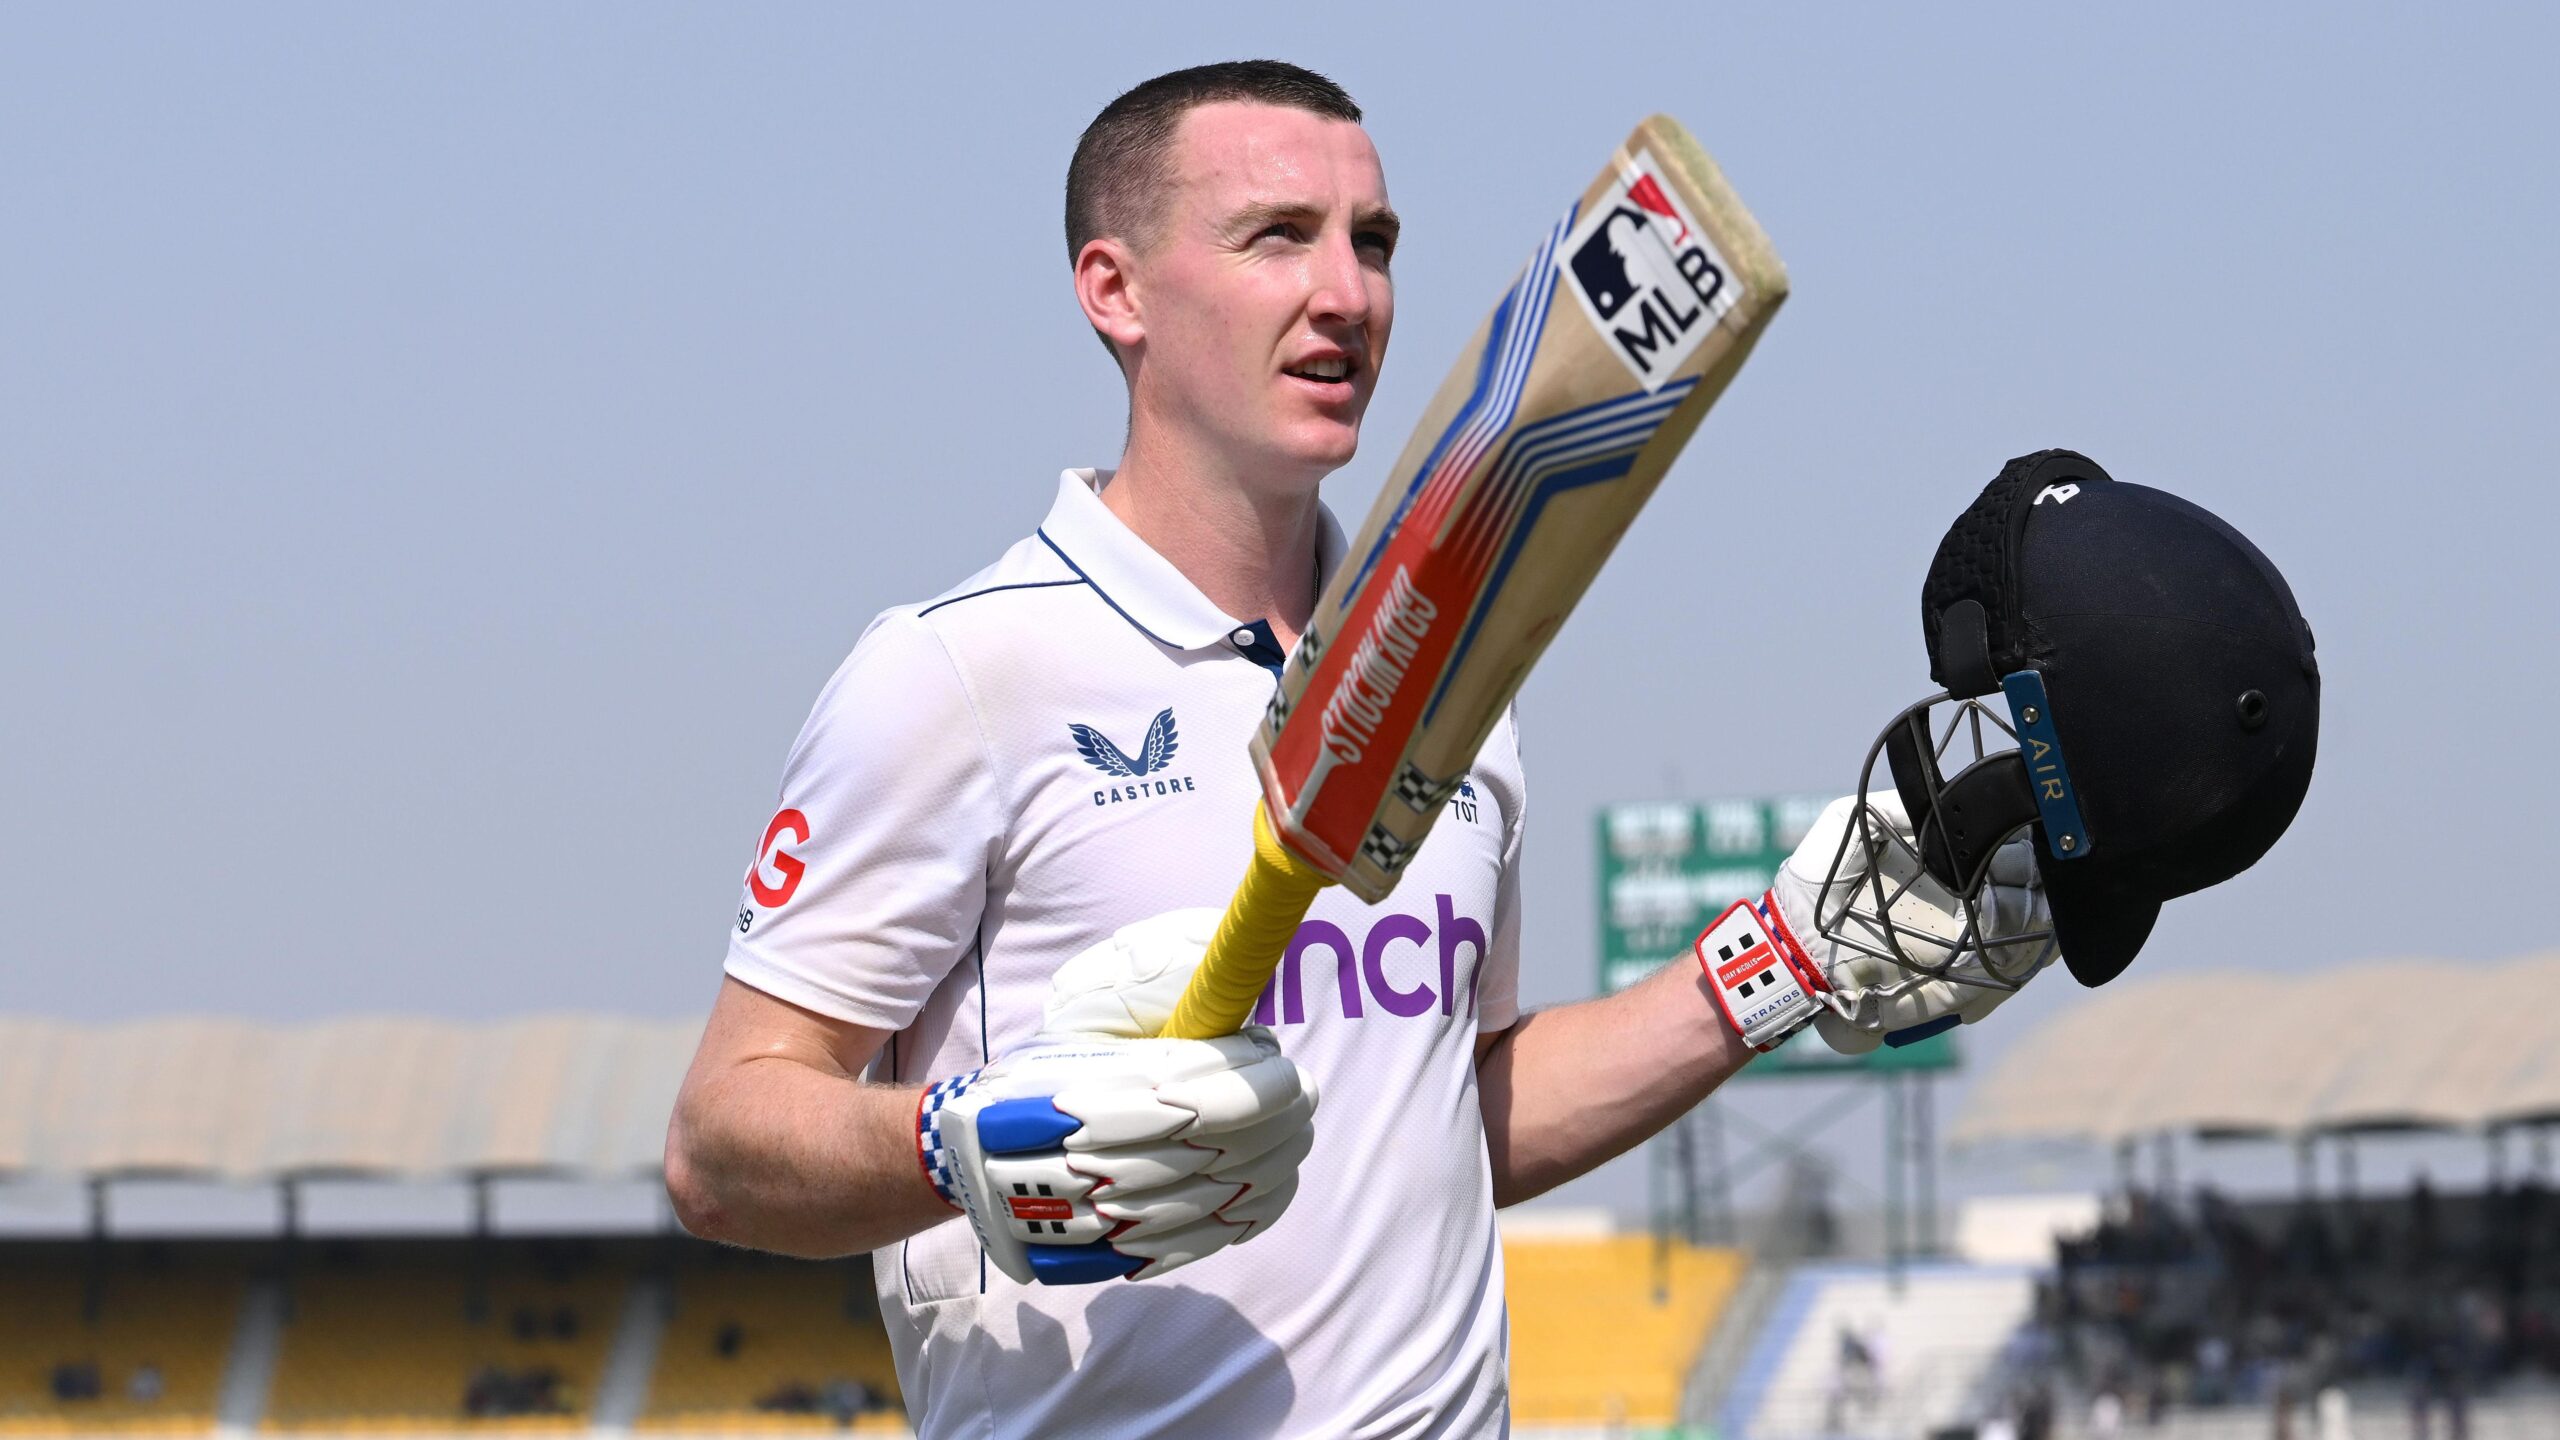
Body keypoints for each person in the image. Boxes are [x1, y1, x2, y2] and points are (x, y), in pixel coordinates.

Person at [663, 62, 2318, 1440]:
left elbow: (1448, 1116)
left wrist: (1786, 957)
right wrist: (968, 1141)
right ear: (1116, 291)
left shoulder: (1456, 679)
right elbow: (722, 1146)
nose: (1349, 292)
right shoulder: (961, 672)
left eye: (1374, 241)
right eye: (1277, 237)